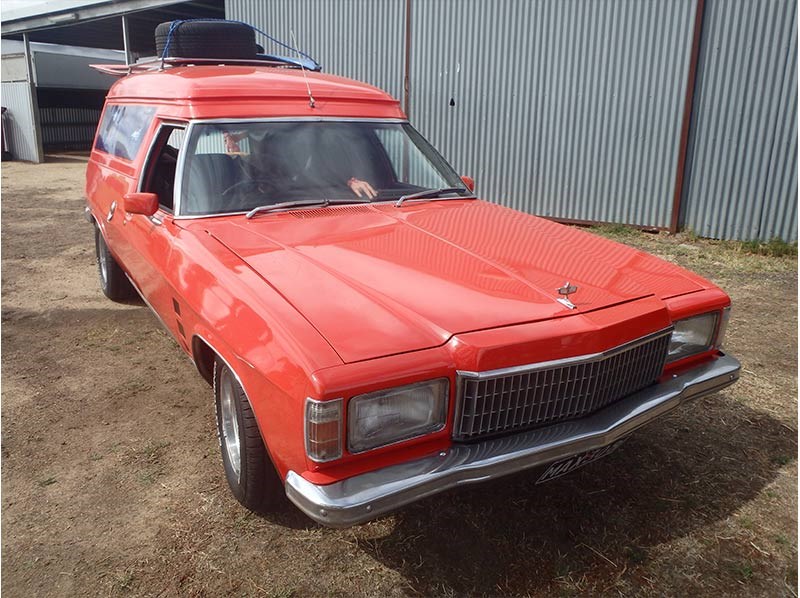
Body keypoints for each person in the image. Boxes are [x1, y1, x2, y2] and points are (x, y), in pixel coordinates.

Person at [223, 130, 377, 199]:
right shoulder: (257, 167)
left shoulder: (315, 165)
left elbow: (331, 175)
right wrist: (236, 149)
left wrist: (351, 182)